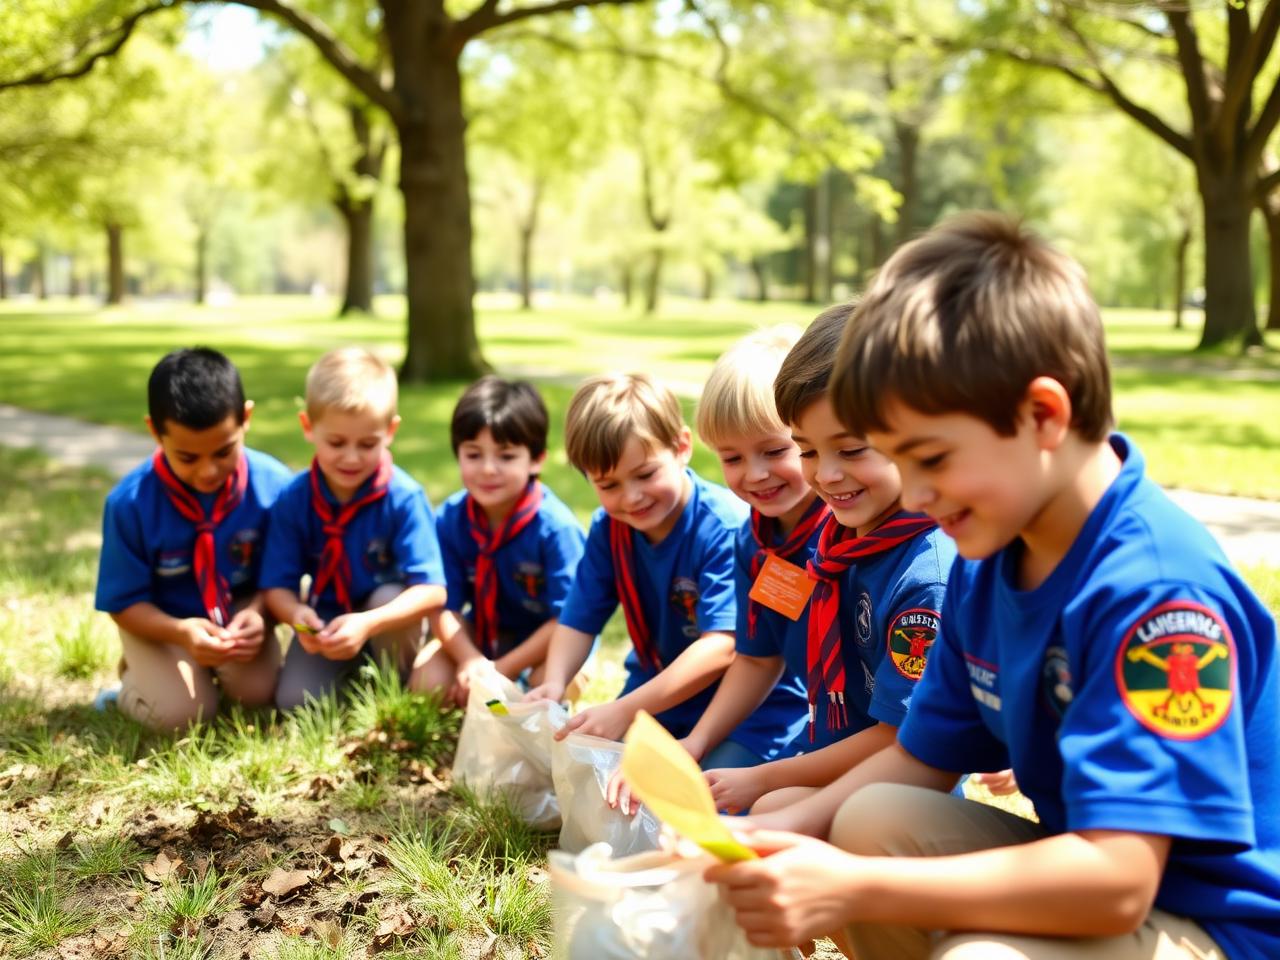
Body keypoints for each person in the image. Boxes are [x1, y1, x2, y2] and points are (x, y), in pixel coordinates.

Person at [707, 213, 1280, 960]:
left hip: (1216, 926)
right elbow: (919, 756)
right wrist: (764, 832)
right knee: (870, 817)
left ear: (1043, 415)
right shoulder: (989, 554)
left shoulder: (1156, 593)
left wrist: (851, 888)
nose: (913, 496)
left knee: (981, 955)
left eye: (933, 459)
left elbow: (1120, 880)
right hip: (1085, 864)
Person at [700, 308, 954, 816]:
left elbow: (904, 741)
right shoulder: (837, 541)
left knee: (765, 812)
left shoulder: (922, 571)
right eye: (808, 451)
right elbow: (757, 656)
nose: (828, 476)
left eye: (852, 450)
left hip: (897, 787)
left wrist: (765, 779)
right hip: (829, 757)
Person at [606, 328, 817, 812]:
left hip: (807, 732)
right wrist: (695, 744)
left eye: (775, 450)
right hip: (797, 731)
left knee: (716, 812)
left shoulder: (842, 534)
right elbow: (758, 657)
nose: (755, 474)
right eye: (732, 458)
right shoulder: (756, 538)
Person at [525, 373, 774, 767]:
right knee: (597, 775)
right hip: (657, 694)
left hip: (748, 710)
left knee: (706, 802)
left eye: (645, 474)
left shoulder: (725, 528)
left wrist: (625, 709)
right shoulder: (610, 529)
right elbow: (577, 619)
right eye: (609, 485)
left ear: (682, 447)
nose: (632, 497)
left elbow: (722, 646)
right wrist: (554, 682)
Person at [94, 347, 292, 730]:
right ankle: (132, 684)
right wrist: (180, 632)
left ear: (246, 418)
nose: (208, 471)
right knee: (180, 715)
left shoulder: (276, 488)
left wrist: (257, 614)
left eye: (224, 451)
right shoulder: (129, 503)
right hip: (160, 625)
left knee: (256, 694)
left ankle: (194, 677)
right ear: (155, 431)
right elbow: (122, 603)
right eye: (187, 457)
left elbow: (283, 573)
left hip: (238, 618)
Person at [260, 347, 446, 710]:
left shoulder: (403, 497)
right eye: (336, 443)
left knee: (388, 595)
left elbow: (432, 590)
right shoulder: (295, 499)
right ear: (307, 427)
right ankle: (347, 673)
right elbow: (276, 588)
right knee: (294, 703)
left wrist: (368, 624)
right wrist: (298, 619)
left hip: (387, 620)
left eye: (367, 444)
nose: (351, 457)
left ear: (390, 431)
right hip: (327, 619)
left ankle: (394, 683)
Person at [409, 376, 586, 704]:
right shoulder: (450, 518)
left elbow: (567, 618)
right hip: (487, 634)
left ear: (536, 459)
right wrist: (470, 660)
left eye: (506, 456)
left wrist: (500, 670)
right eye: (474, 454)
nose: (488, 469)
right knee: (425, 681)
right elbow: (443, 605)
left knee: (543, 685)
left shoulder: (555, 529)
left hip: (554, 641)